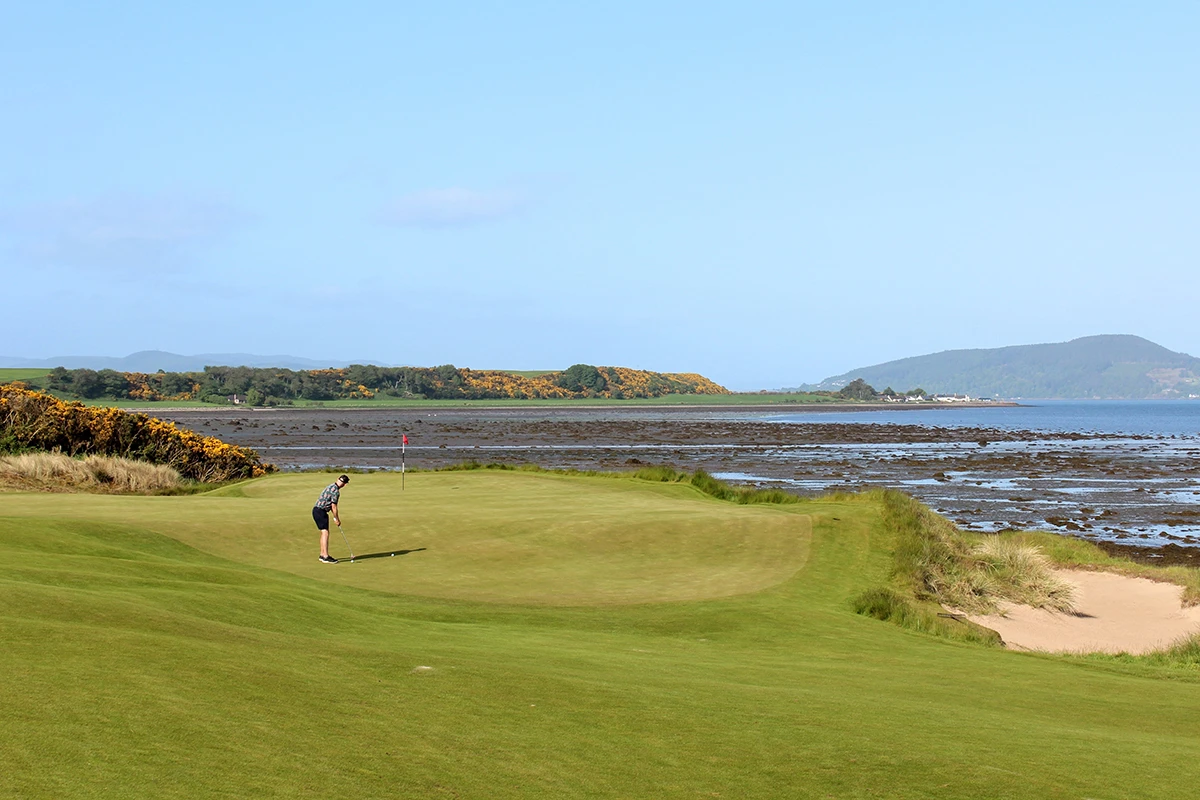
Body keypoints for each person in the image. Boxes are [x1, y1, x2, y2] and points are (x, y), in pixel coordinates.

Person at [313, 474, 350, 563]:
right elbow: (334, 506)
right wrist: (336, 519)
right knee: (325, 533)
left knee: (323, 532)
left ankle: (322, 555)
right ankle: (325, 556)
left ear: (337, 479)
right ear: (345, 485)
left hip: (316, 510)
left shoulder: (330, 486)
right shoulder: (336, 491)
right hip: (321, 511)